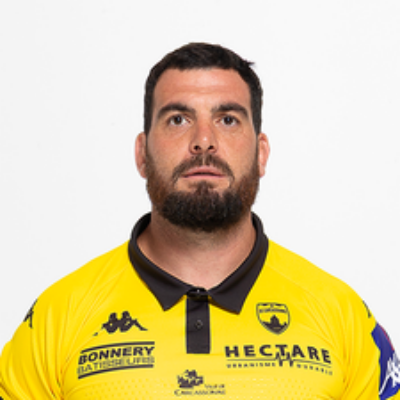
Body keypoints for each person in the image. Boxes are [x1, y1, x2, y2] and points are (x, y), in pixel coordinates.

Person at [0, 42, 399, 400]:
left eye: (228, 119)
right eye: (178, 119)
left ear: (261, 153)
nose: (203, 140)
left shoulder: (341, 314)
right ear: (142, 153)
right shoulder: (58, 316)